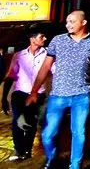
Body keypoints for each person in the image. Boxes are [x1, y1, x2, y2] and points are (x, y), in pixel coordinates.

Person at [26, 10, 90, 169]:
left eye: (72, 21)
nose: (68, 25)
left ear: (83, 23)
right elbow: (45, 66)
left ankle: (75, 165)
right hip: (58, 95)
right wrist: (34, 91)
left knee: (79, 132)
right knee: (48, 134)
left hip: (82, 94)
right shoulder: (58, 40)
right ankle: (52, 156)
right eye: (67, 22)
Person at [3, 29, 48, 162]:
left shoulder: (48, 55)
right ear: (32, 39)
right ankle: (18, 150)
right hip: (20, 94)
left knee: (31, 123)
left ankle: (27, 151)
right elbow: (10, 76)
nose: (45, 39)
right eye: (42, 36)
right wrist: (4, 98)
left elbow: (55, 71)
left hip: (38, 94)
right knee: (17, 121)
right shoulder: (19, 56)